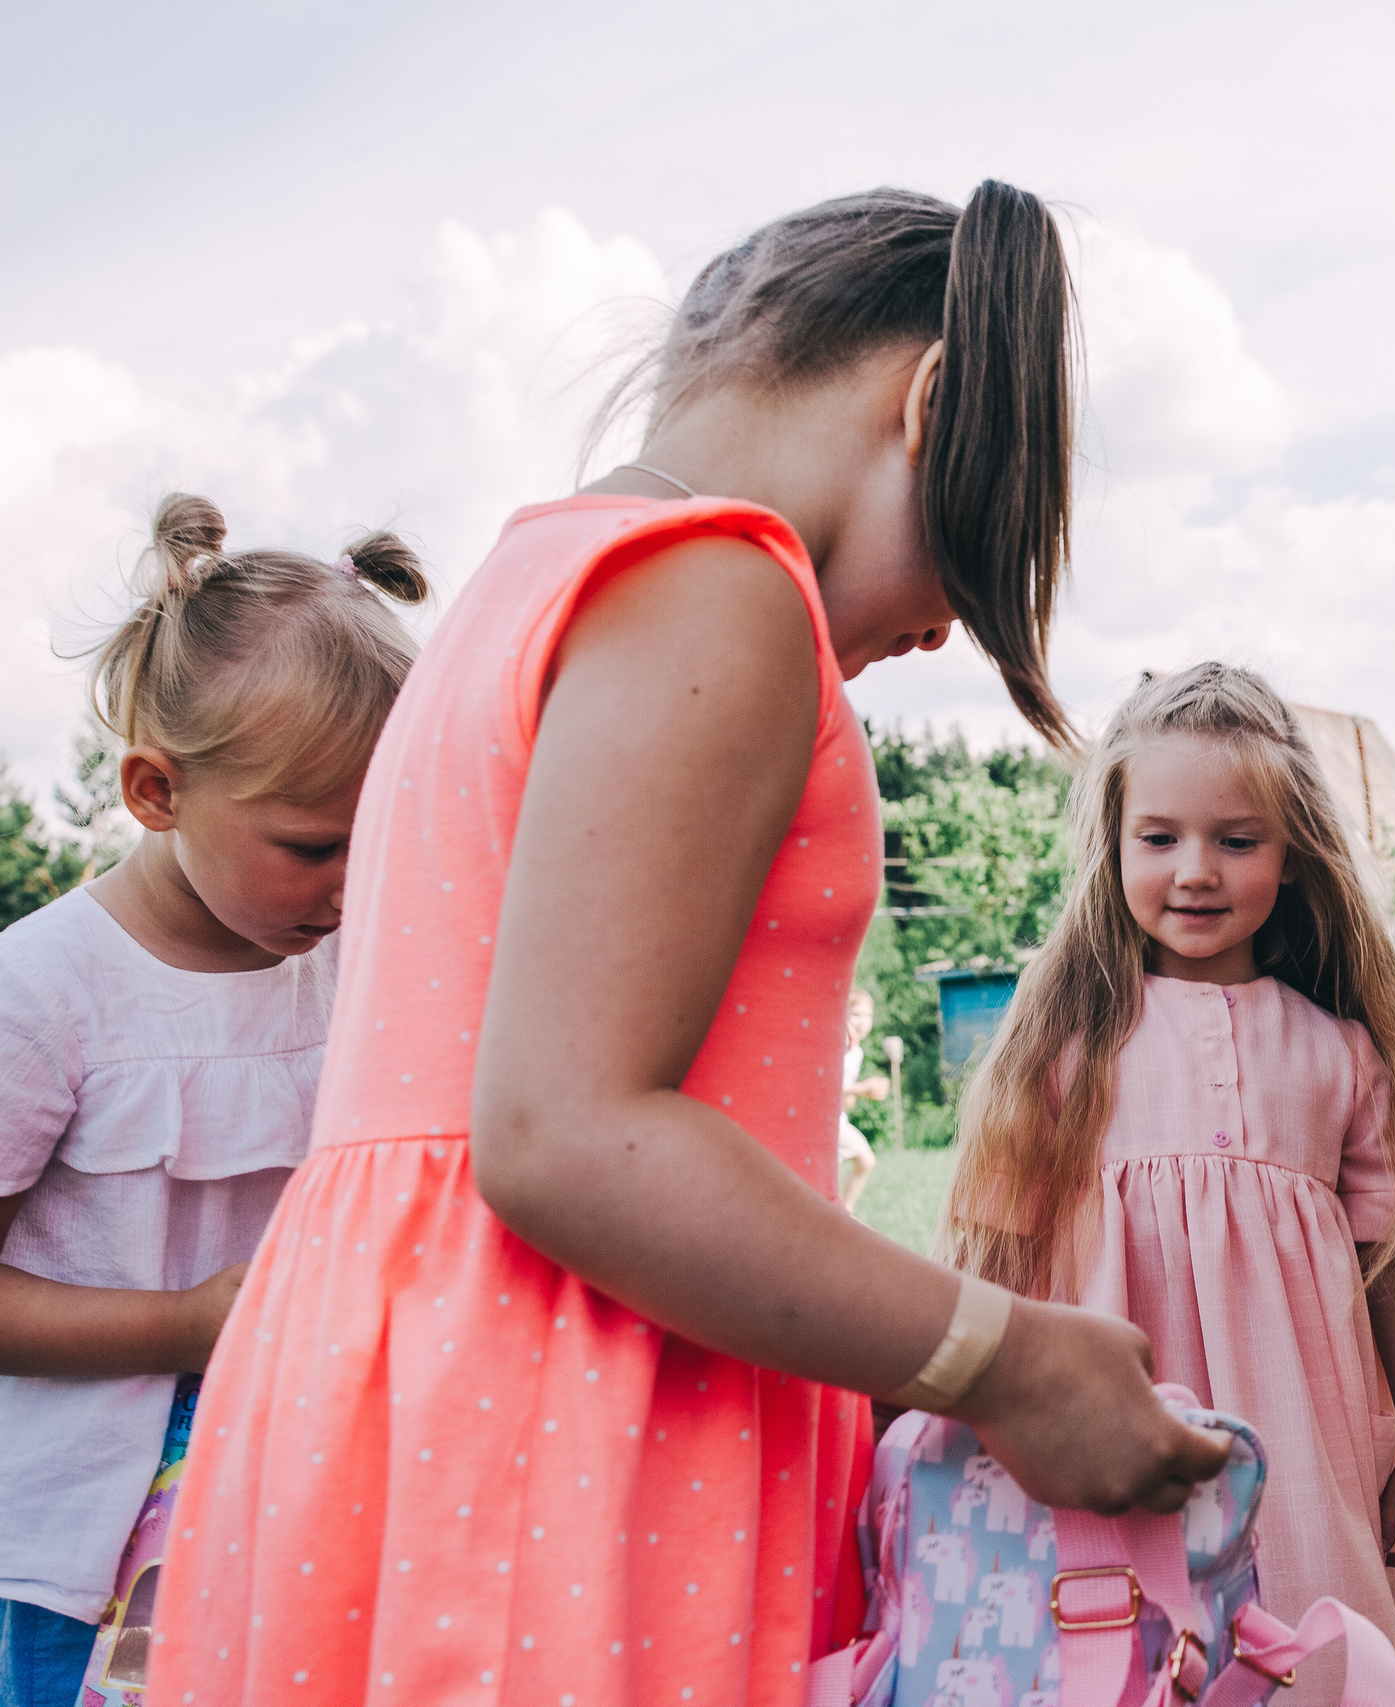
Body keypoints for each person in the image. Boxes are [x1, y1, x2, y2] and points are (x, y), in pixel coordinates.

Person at [153, 182, 1230, 1707]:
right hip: (576, 1418)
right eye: (970, 561)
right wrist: (1001, 1354)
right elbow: (567, 1132)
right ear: (927, 399)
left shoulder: (519, 582)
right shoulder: (718, 586)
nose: (938, 626)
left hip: (420, 1406)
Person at [944, 662, 1395, 1706]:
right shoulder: (1066, 1051)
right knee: (1123, 1651)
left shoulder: (1345, 1056)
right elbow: (991, 1252)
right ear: (1113, 850)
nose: (1194, 870)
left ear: (1293, 858)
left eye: (1236, 840)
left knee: (1311, 1648)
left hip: (1307, 1457)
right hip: (1113, 1442)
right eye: (1158, 838)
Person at [0, 495, 425, 1705]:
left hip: (314, 1517)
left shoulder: (367, 967)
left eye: (382, 836)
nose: (354, 886)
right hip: (75, 1574)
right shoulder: (45, 994)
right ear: (154, 791)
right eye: (312, 846)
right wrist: (186, 1324)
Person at [839, 988, 887, 1208]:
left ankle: (843, 1210)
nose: (862, 1022)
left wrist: (850, 1097)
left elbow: (842, 1090)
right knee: (865, 1160)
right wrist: (862, 1089)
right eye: (856, 1014)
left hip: (837, 1119)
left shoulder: (856, 1052)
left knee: (865, 1162)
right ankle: (843, 1211)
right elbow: (830, 1085)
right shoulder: (838, 1045)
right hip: (827, 1124)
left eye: (868, 1016)